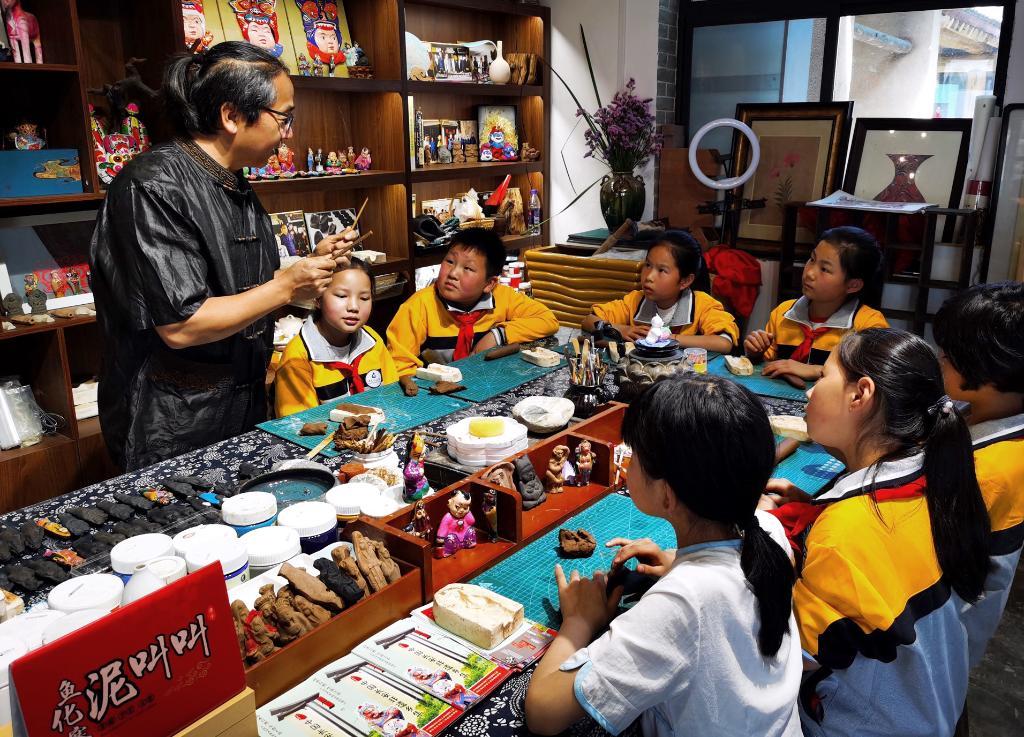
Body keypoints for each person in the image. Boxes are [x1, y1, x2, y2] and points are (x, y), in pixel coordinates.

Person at [89, 42, 353, 470]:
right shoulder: (152, 186)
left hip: (240, 400)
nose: (289, 134)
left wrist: (306, 269)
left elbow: (241, 290)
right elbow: (182, 324)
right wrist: (287, 286)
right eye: (284, 118)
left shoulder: (232, 182)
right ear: (231, 116)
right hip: (173, 420)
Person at [525, 375, 801, 737]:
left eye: (635, 456)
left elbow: (543, 713)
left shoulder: (683, 602)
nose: (628, 464)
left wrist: (578, 623)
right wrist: (679, 563)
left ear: (667, 494)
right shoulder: (768, 530)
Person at [762, 328, 990, 737]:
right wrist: (814, 509)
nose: (810, 392)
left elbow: (791, 654)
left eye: (823, 377)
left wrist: (731, 554)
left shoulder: (848, 530)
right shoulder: (932, 479)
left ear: (860, 394)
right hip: (937, 710)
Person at [933, 282, 1024, 668]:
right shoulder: (974, 410)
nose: (940, 356)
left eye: (950, 352)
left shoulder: (992, 467)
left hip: (941, 624)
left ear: (988, 366)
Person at [386, 228, 558, 376]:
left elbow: (547, 320)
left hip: (487, 381)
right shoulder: (417, 307)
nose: (453, 273)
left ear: (489, 283)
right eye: (450, 261)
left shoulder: (503, 297)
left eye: (467, 268)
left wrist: (497, 335)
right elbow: (399, 367)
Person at [744, 226, 887, 383]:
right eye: (812, 259)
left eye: (824, 269)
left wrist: (818, 371)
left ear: (853, 285)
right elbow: (768, 365)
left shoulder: (868, 325)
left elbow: (875, 379)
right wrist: (755, 354)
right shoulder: (784, 313)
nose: (810, 273)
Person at [274, 259, 397, 416]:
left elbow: (392, 397)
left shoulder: (372, 341)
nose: (354, 307)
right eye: (341, 296)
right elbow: (300, 423)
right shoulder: (298, 357)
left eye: (364, 298)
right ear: (317, 298)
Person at [582, 230, 739, 352]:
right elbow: (588, 320)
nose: (649, 277)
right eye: (648, 265)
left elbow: (724, 343)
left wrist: (668, 338)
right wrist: (619, 329)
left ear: (685, 281)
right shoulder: (635, 300)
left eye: (662, 270)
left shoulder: (702, 305)